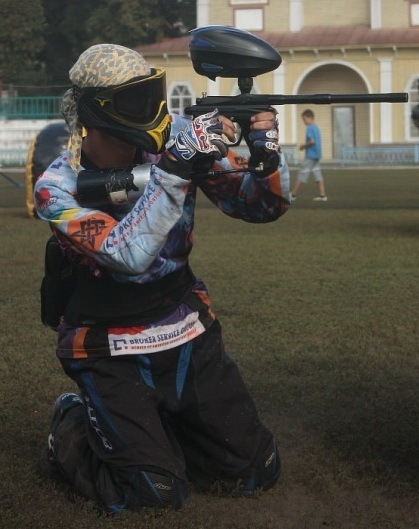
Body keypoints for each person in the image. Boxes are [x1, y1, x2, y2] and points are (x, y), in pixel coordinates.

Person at [34, 43, 290, 513]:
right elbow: (127, 254)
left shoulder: (178, 144)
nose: (152, 110)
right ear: (95, 109)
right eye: (136, 100)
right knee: (155, 491)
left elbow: (260, 206)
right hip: (105, 345)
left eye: (152, 94)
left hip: (185, 327)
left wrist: (266, 158)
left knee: (257, 467)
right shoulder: (57, 187)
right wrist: (175, 167)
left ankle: (159, 429)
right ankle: (70, 423)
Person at [290, 109, 327, 202]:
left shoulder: (310, 128)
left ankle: (293, 195)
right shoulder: (316, 128)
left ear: (309, 117)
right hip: (317, 155)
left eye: (304, 119)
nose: (304, 121)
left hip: (310, 155)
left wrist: (303, 146)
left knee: (302, 173)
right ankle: (322, 196)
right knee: (317, 174)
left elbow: (312, 141)